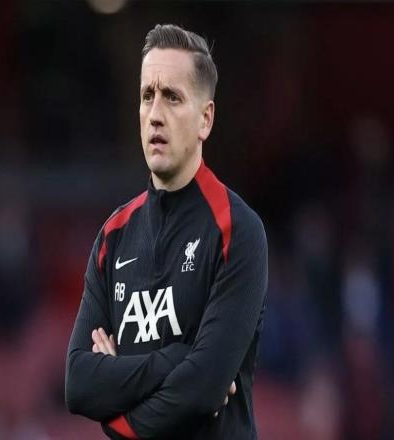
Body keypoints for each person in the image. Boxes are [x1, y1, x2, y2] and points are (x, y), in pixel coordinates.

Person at [65, 24, 268, 439]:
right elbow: (79, 383)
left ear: (205, 119)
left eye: (172, 97)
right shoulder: (112, 237)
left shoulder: (238, 230)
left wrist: (118, 412)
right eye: (147, 96)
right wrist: (179, 358)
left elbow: (203, 390)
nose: (155, 114)